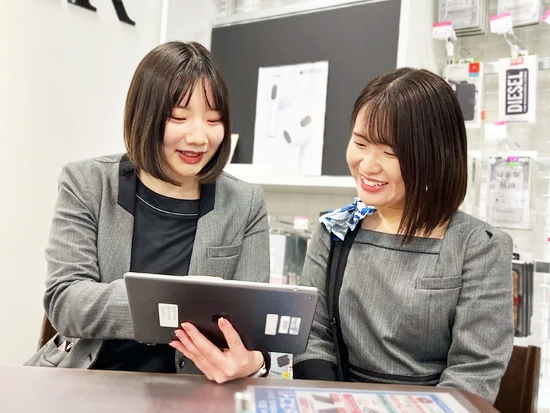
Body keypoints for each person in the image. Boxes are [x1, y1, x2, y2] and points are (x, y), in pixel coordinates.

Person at [26, 41, 270, 382]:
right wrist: (175, 301)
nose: (199, 137)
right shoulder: (87, 183)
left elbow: (255, 326)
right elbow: (66, 301)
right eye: (179, 118)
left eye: (213, 120)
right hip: (89, 379)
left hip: (195, 392)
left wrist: (255, 363)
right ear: (144, 116)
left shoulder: (244, 203)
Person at [293, 68, 513, 403]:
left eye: (390, 152)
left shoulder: (478, 247)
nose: (367, 164)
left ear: (433, 157)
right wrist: (332, 403)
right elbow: (312, 334)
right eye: (360, 142)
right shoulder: (335, 229)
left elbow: (475, 370)